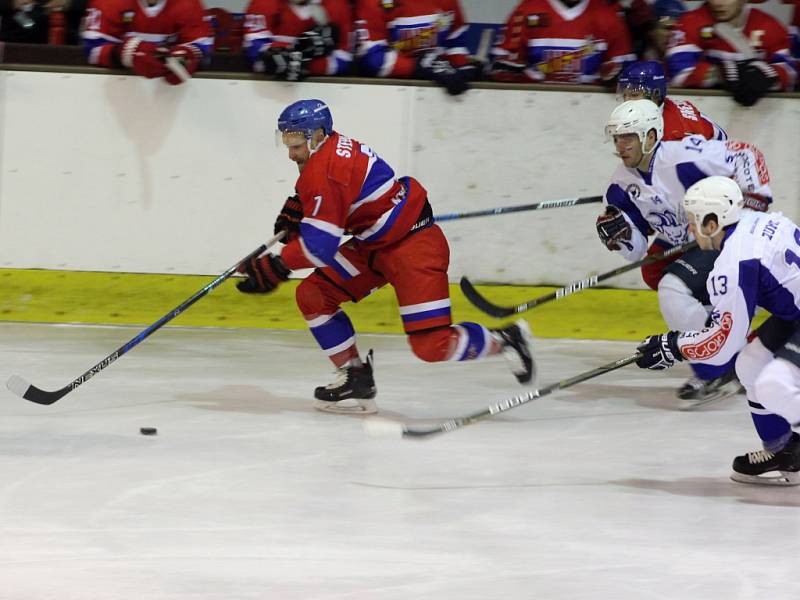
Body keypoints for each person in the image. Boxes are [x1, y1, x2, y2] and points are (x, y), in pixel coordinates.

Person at [235, 99, 535, 415]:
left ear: (318, 136)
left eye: (295, 144)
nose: (290, 153)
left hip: (413, 249)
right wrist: (302, 206)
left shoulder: (324, 171)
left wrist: (277, 265)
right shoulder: (331, 151)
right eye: (287, 144)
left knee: (431, 346)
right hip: (374, 246)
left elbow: (320, 246)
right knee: (313, 295)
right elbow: (336, 196)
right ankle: (355, 376)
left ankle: (505, 339)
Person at [598, 99, 771, 406]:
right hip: (691, 245)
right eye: (617, 138)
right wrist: (621, 235)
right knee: (655, 272)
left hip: (723, 236)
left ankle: (717, 366)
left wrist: (756, 198)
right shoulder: (620, 186)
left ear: (651, 136)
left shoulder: (680, 155)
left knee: (673, 287)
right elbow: (637, 250)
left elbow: (746, 153)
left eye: (629, 137)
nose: (621, 145)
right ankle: (733, 344)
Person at [635, 176, 800, 485]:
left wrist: (672, 347)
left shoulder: (734, 260)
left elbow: (723, 343)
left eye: (695, 222)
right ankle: (786, 453)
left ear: (713, 222)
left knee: (773, 384)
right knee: (749, 365)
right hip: (794, 313)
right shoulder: (753, 220)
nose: (690, 230)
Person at [665, 0, 796, 105]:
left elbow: (790, 73)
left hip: (763, 121)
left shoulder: (769, 25)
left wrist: (766, 75)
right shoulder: (690, 22)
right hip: (704, 115)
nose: (718, 3)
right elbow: (680, 74)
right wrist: (717, 74)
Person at [487, 0, 636, 86]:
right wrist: (508, 71)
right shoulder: (525, 11)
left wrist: (616, 76)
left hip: (592, 114)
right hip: (531, 110)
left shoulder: (609, 17)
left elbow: (631, 78)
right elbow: (499, 68)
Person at [353, 0, 481, 96]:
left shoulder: (448, 2)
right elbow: (372, 59)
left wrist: (462, 68)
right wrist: (420, 65)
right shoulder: (372, 2)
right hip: (386, 95)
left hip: (437, 92)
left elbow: (455, 44)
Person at [81, 0, 212, 84]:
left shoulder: (189, 4)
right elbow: (92, 50)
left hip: (167, 97)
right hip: (120, 90)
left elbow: (203, 50)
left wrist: (187, 57)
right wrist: (123, 54)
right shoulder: (109, 2)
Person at [242, 0, 353, 81]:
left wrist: (300, 62)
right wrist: (304, 54)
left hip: (322, 91)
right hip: (268, 88)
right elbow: (256, 55)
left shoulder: (337, 5)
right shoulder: (264, 3)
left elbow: (344, 60)